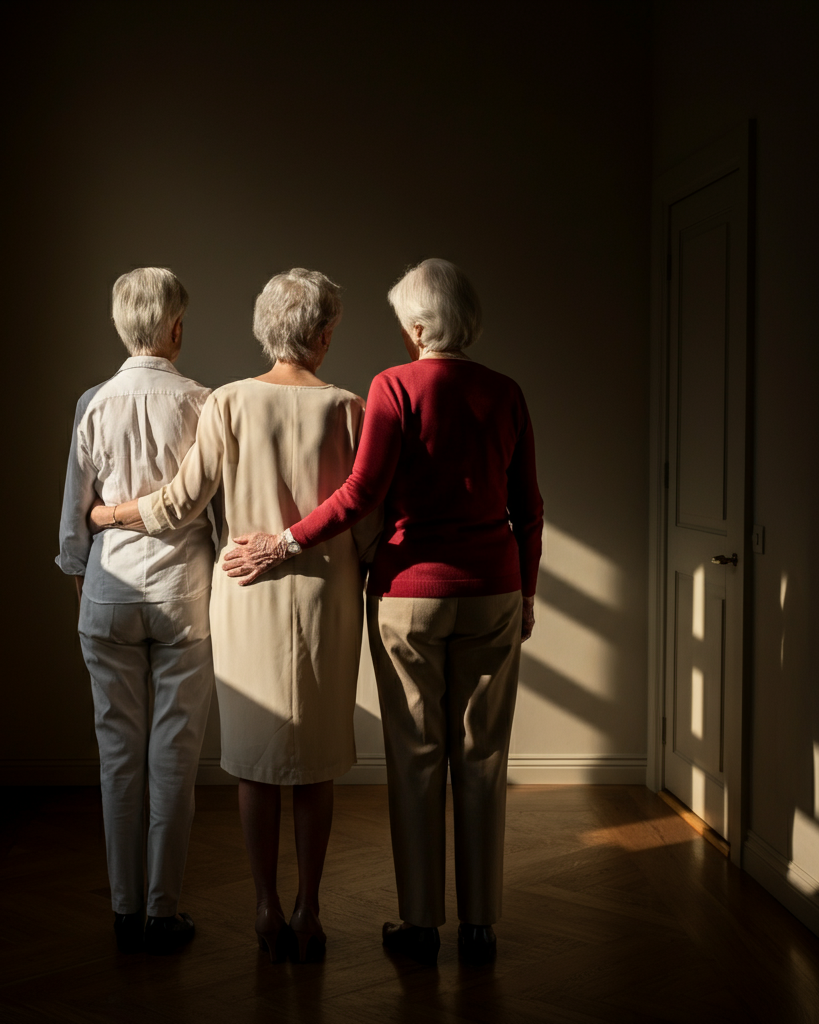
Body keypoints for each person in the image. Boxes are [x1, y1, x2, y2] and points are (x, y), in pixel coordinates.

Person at [221, 258, 544, 966]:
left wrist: (283, 541)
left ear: (422, 327)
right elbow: (529, 508)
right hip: (493, 589)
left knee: (416, 757)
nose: (401, 335)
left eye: (405, 323)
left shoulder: (393, 387)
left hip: (409, 597)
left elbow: (362, 494)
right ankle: (481, 925)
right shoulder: (507, 392)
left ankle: (421, 925)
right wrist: (527, 592)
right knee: (484, 760)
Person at [89, 269, 379, 963]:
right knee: (315, 766)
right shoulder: (351, 409)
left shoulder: (227, 403)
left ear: (265, 329)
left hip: (245, 599)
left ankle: (265, 907)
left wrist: (109, 514)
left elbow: (179, 504)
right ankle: (310, 910)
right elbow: (366, 523)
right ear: (323, 332)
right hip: (324, 598)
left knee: (254, 767)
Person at [56, 268, 215, 955]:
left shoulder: (93, 401)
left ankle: (123, 910)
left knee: (117, 754)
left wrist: (84, 584)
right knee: (174, 756)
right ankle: (162, 910)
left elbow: (74, 523)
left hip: (108, 591)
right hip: (184, 592)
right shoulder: (204, 402)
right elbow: (222, 511)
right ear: (175, 328)